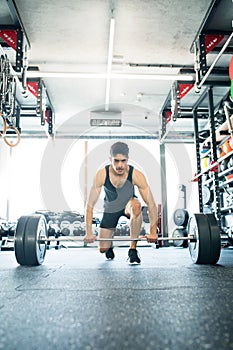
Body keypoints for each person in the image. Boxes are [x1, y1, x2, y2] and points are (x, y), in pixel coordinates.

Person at [84, 141, 158, 264]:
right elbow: (89, 205)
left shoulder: (136, 175)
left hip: (128, 205)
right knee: (103, 249)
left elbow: (151, 204)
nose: (120, 165)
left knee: (136, 206)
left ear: (128, 159)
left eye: (123, 161)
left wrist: (153, 232)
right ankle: (109, 244)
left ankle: (132, 249)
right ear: (110, 159)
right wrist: (89, 233)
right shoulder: (102, 174)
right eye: (116, 161)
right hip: (110, 209)